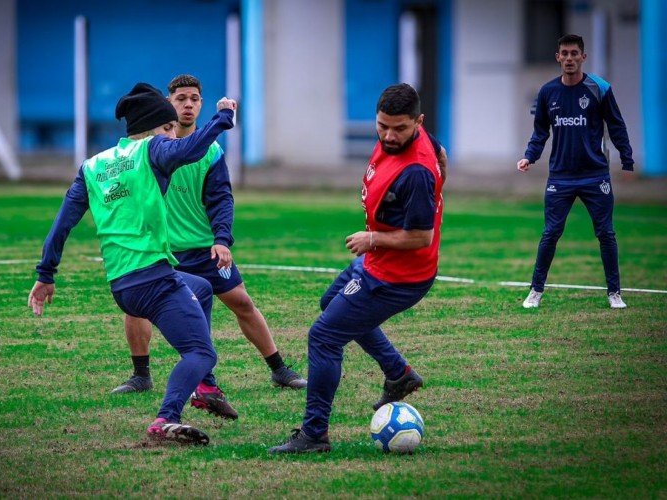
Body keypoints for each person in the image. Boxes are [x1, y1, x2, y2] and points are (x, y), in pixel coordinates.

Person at [28, 82, 237, 445]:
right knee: (201, 352)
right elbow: (193, 147)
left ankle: (203, 387)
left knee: (202, 288)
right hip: (152, 280)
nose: (174, 133)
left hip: (122, 285)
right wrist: (222, 118)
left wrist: (46, 274)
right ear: (157, 128)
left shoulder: (93, 166)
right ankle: (165, 419)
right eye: (170, 127)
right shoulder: (152, 151)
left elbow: (63, 223)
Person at [269, 83, 446, 453]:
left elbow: (421, 237)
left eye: (399, 128)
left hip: (397, 277)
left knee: (324, 335)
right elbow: (441, 153)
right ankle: (398, 373)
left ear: (418, 122)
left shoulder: (415, 173)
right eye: (382, 126)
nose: (389, 135)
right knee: (329, 303)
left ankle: (314, 434)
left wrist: (373, 239)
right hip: (377, 262)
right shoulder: (412, 138)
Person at [112, 74, 306, 409]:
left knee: (242, 302)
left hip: (205, 249)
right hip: (163, 250)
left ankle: (278, 369)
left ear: (202, 104)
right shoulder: (150, 151)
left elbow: (221, 199)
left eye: (195, 99)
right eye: (181, 98)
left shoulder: (210, 150)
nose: (188, 105)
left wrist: (221, 239)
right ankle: (141, 375)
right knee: (136, 306)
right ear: (167, 104)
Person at [517, 34, 634, 309]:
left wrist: (626, 160)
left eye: (574, 54)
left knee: (606, 234)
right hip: (560, 176)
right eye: (564, 54)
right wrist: (529, 157)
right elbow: (540, 132)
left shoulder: (599, 88)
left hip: (595, 175)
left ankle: (614, 293)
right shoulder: (547, 92)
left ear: (583, 57)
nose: (569, 59)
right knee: (550, 233)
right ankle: (535, 291)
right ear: (558, 58)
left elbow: (616, 126)